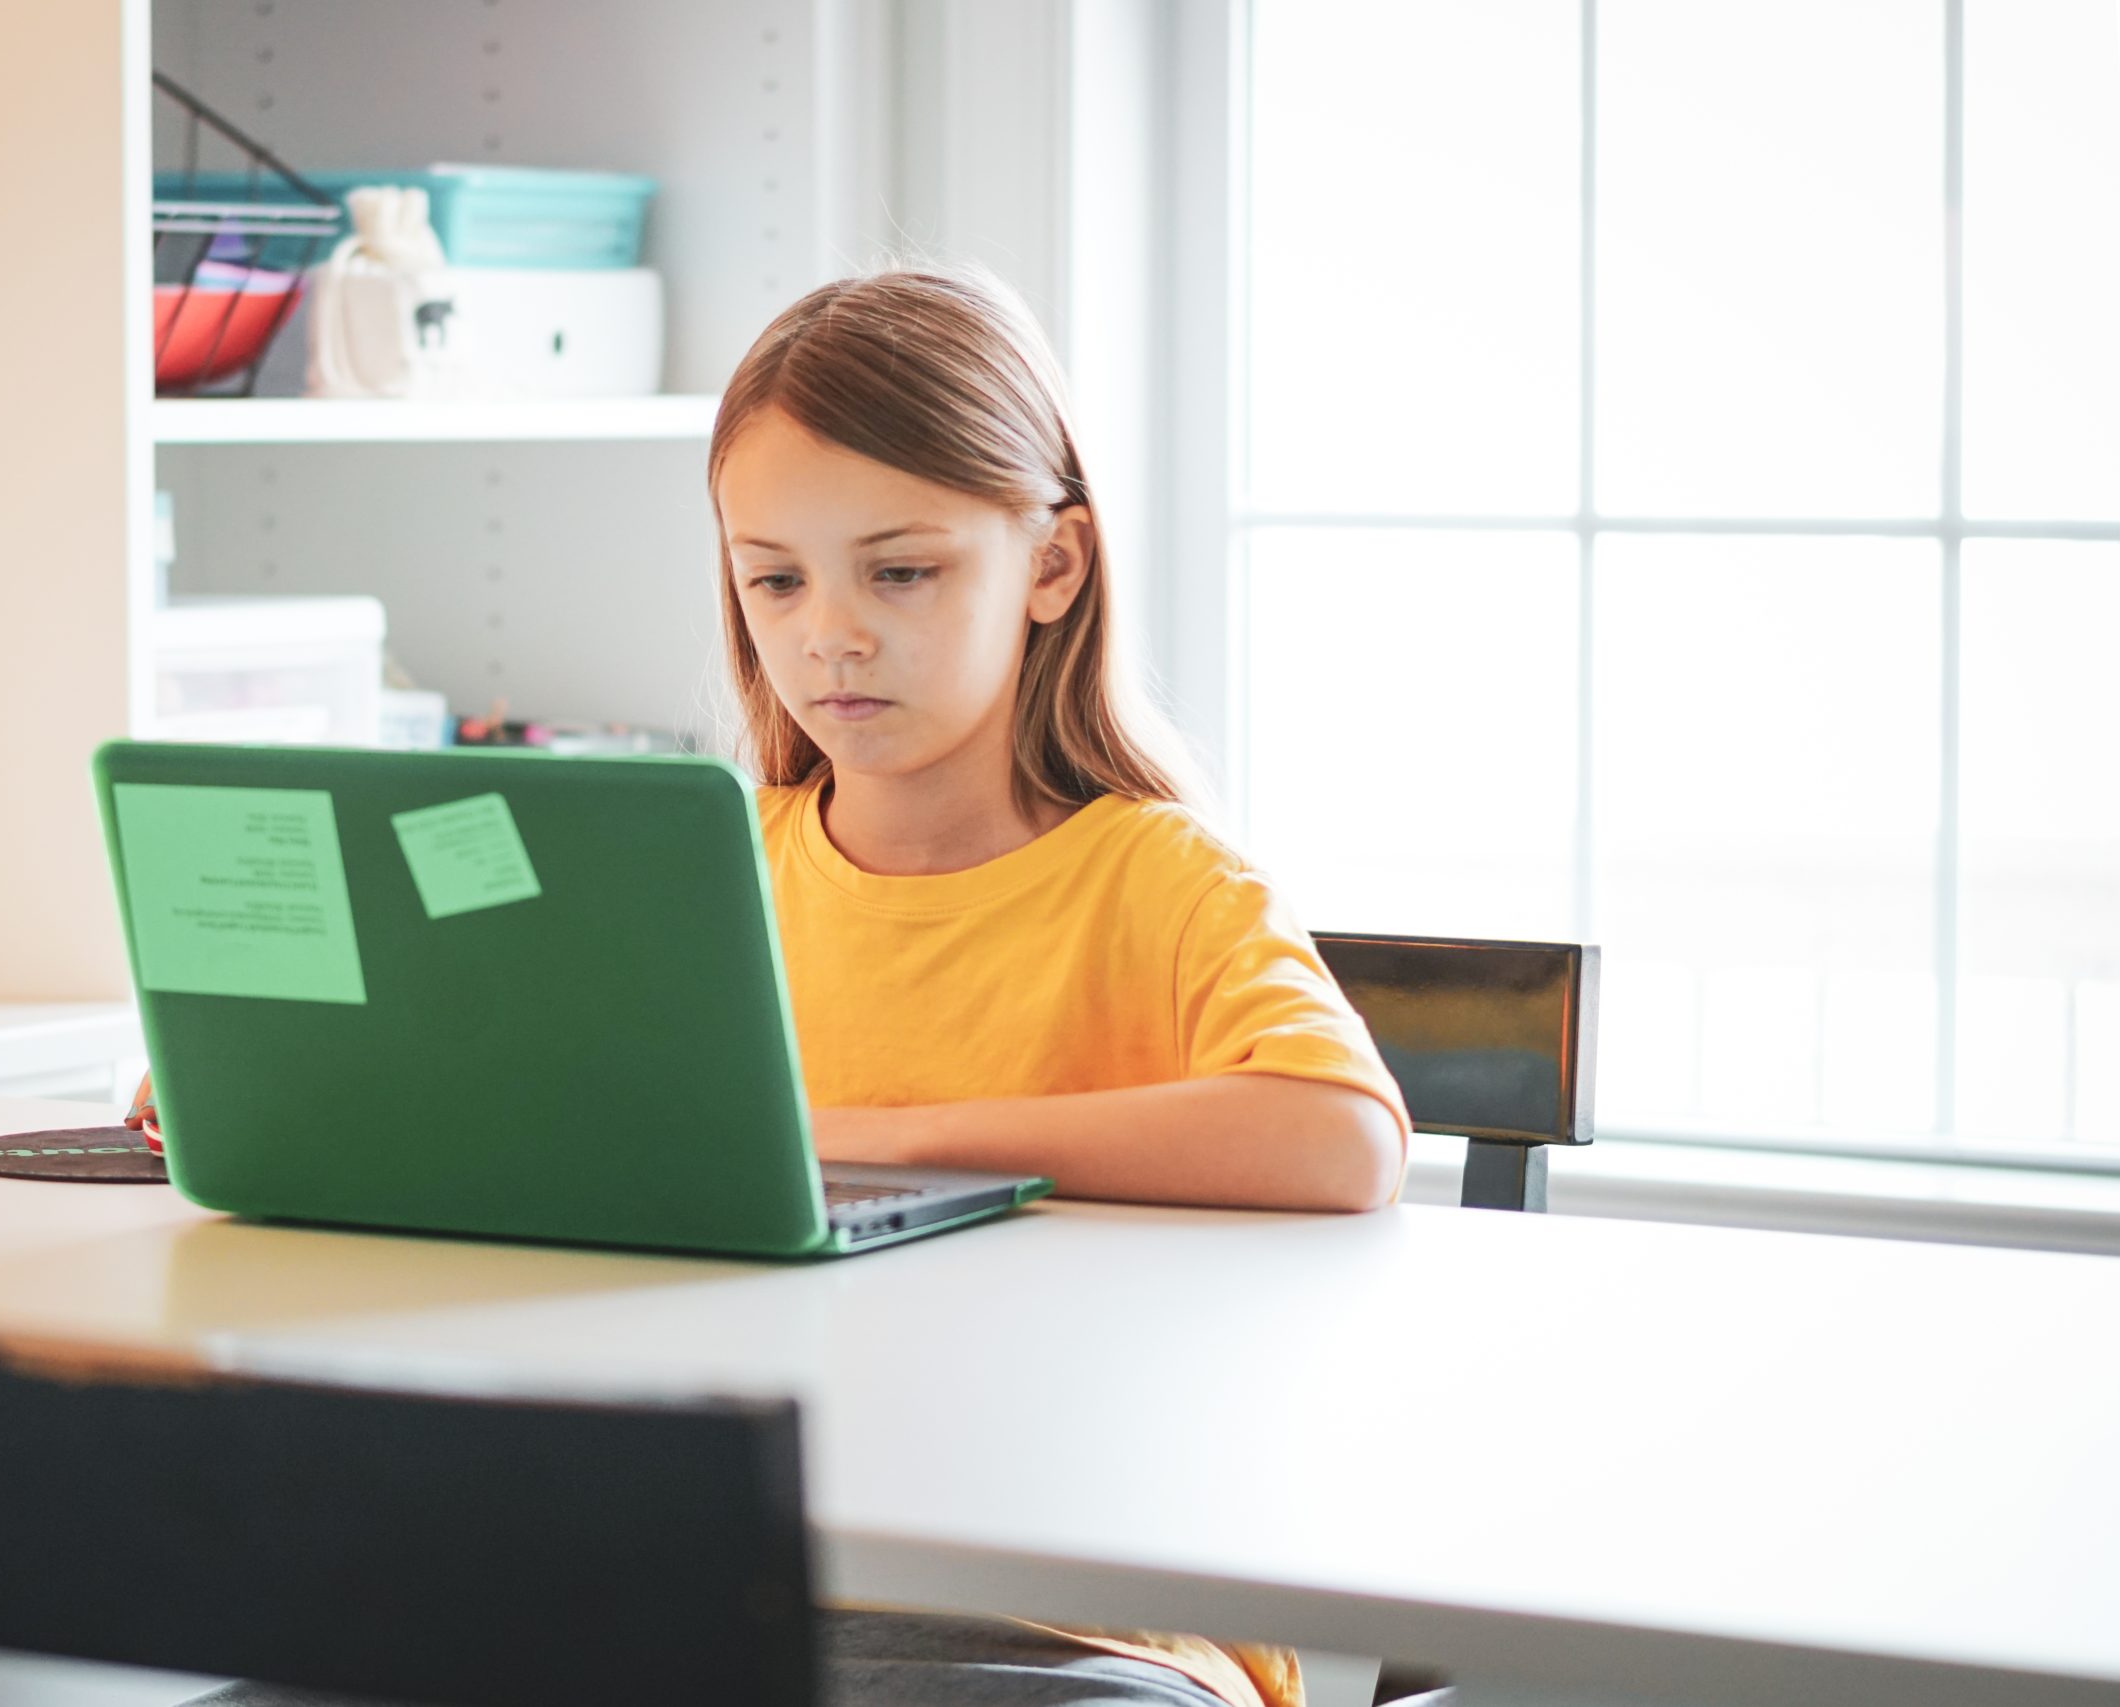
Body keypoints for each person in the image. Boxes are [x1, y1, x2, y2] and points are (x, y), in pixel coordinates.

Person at [142, 264, 1420, 1707]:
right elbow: (506, 1089)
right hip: (701, 1576)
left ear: (1052, 566)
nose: (831, 634)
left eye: (903, 569)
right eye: (776, 578)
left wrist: (884, 1138)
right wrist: (252, 1070)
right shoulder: (694, 871)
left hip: (1062, 1626)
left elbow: (1339, 1136)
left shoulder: (1162, 879)